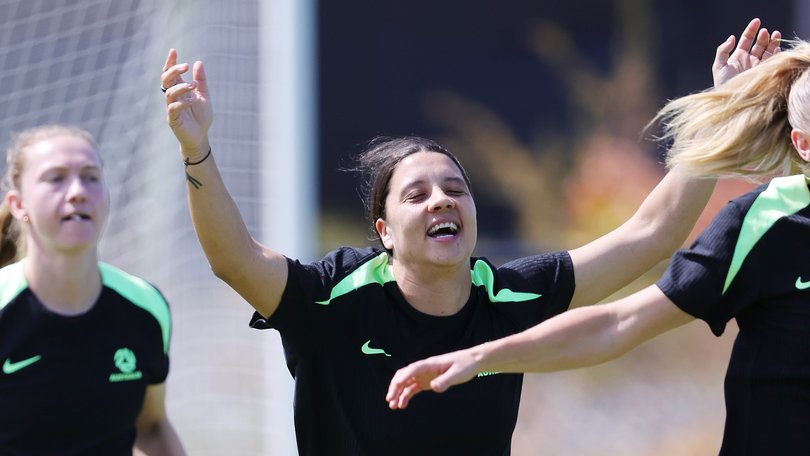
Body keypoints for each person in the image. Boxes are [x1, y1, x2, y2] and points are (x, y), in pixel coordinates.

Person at [161, 19, 777, 456]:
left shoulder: (508, 298)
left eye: (455, 188)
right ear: (384, 233)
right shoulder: (334, 298)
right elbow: (234, 260)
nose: (443, 200)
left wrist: (721, 109)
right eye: (417, 194)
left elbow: (652, 233)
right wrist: (198, 150)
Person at [386, 22, 810, 456]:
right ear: (803, 143)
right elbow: (618, 322)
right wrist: (480, 356)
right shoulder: (766, 224)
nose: (439, 201)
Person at [0, 125, 186, 455]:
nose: (77, 192)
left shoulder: (145, 307)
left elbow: (151, 427)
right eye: (55, 178)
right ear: (18, 204)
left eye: (90, 176)